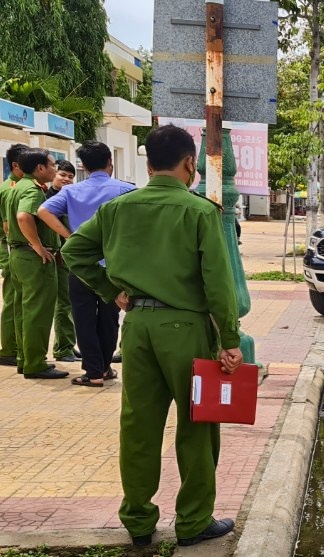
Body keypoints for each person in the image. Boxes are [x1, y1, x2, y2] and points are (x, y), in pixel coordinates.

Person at [62, 125, 243, 547]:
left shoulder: (119, 207)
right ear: (188, 164)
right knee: (198, 425)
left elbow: (75, 253)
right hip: (186, 328)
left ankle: (139, 520)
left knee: (139, 426)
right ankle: (193, 520)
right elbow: (218, 282)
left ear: (147, 165)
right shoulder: (200, 211)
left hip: (138, 328)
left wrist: (112, 290)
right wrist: (229, 338)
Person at [39, 142, 136, 386]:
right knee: (109, 317)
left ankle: (92, 373)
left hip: (80, 265)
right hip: (115, 265)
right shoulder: (127, 190)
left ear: (84, 166)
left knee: (83, 318)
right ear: (109, 163)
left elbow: (43, 211)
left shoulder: (71, 191)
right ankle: (104, 368)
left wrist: (70, 237)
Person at [2, 148, 66, 379]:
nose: (54, 169)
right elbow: (23, 217)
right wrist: (38, 246)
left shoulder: (16, 187)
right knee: (38, 312)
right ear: (39, 168)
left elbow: (8, 224)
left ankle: (24, 359)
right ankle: (36, 363)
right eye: (51, 165)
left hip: (18, 255)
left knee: (23, 310)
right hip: (33, 258)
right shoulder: (32, 190)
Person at [46, 159, 78, 363]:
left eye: (70, 176)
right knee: (63, 303)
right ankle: (63, 348)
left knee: (70, 303)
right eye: (62, 175)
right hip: (58, 257)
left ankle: (67, 343)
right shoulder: (47, 198)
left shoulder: (68, 197)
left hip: (68, 257)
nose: (66, 179)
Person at [0, 144, 28, 367]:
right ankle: (10, 348)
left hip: (12, 249)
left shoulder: (16, 186)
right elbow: (8, 227)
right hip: (10, 249)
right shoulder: (11, 189)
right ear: (17, 165)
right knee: (13, 301)